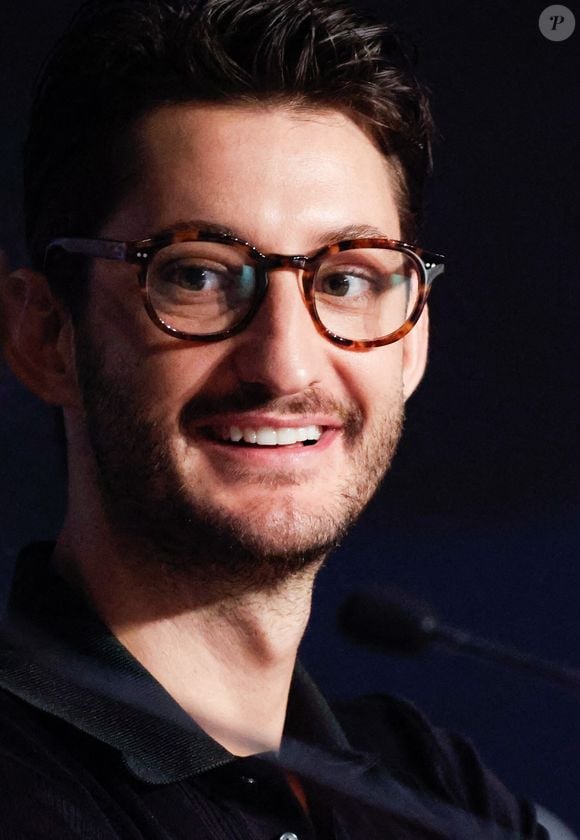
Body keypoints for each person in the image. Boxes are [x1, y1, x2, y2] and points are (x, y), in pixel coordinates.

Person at [0, 0, 548, 836]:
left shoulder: (433, 786)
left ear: (412, 345)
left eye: (347, 280)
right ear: (45, 335)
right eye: (198, 276)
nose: (285, 364)